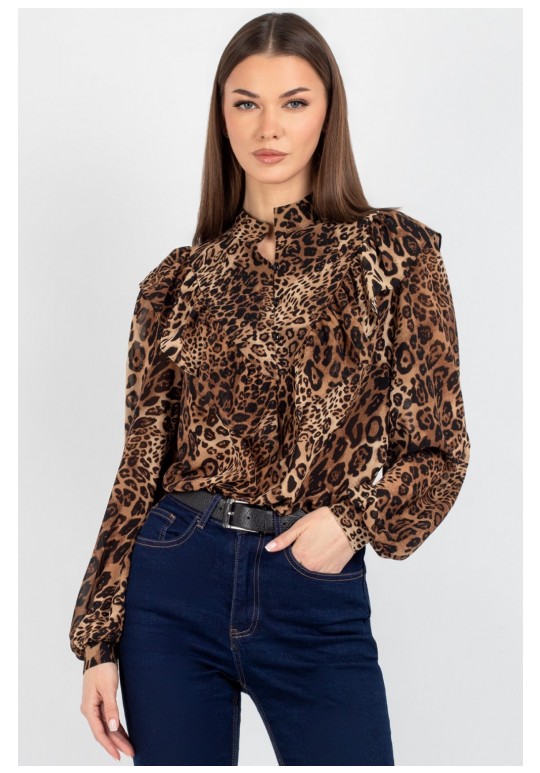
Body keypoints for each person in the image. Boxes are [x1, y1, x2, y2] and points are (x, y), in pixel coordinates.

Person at [69, 11, 471, 766]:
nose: (269, 126)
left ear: (328, 112)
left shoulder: (394, 254)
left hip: (310, 586)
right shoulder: (176, 282)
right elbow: (139, 466)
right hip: (173, 580)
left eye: (294, 101)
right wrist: (99, 638)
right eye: (246, 102)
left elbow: (438, 452)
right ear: (222, 116)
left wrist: (348, 524)